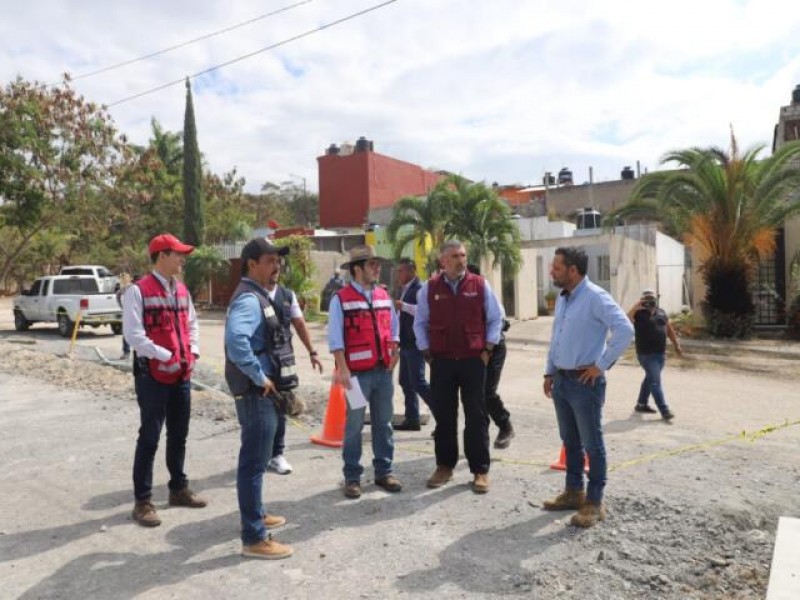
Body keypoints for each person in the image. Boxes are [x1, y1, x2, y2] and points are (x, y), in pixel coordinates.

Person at [542, 246, 633, 528]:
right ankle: (574, 492)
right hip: (562, 380)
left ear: (573, 270)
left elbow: (625, 330)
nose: (551, 271)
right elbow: (557, 337)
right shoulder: (563, 297)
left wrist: (601, 365)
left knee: (592, 445)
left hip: (585, 383)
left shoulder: (595, 297)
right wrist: (549, 372)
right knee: (570, 442)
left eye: (557, 267)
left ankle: (594, 503)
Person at [122, 233, 206, 528]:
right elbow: (132, 334)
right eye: (177, 254)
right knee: (150, 437)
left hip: (181, 374)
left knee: (179, 434)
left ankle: (178, 489)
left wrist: (192, 352)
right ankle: (143, 501)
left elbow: (192, 324)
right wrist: (162, 354)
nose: (182, 259)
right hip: (153, 377)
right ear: (161, 256)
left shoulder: (181, 290)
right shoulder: (137, 291)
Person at [224, 238, 295, 560]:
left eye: (277, 259)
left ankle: (256, 513)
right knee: (253, 464)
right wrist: (259, 375)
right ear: (251, 264)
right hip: (257, 392)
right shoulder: (249, 300)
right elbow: (236, 342)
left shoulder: (259, 294)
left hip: (262, 390)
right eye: (269, 259)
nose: (276, 265)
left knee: (257, 459)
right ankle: (254, 537)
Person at [414, 241, 504, 494]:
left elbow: (496, 318)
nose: (461, 260)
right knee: (444, 416)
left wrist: (488, 349)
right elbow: (419, 322)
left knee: (476, 416)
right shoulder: (429, 288)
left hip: (473, 360)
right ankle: (444, 466)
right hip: (441, 361)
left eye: (463, 255)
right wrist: (425, 351)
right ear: (443, 261)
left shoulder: (479, 284)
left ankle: (480, 470)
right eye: (455, 256)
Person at [328, 245, 402, 499]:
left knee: (384, 423)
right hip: (356, 376)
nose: (377, 268)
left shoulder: (383, 295)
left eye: (377, 264)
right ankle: (352, 477)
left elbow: (394, 327)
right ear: (357, 270)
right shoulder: (341, 299)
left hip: (382, 373)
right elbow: (336, 339)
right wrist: (343, 370)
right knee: (355, 425)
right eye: (372, 264)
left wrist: (396, 349)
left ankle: (384, 471)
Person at [265, 252, 324, 475]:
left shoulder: (287, 295)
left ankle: (277, 454)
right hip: (261, 360)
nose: (276, 268)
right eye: (272, 263)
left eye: (278, 265)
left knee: (281, 407)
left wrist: (313, 352)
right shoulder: (253, 295)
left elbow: (299, 325)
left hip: (283, 361)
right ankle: (260, 453)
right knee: (260, 409)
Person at [466, 263, 515, 449]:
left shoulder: (486, 295)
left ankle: (505, 426)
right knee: (474, 396)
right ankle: (480, 437)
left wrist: (487, 349)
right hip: (473, 350)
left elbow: (499, 323)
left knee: (487, 392)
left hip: (493, 348)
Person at [628, 288, 683, 420]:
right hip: (646, 354)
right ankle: (664, 410)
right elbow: (624, 321)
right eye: (646, 299)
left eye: (651, 299)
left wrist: (676, 345)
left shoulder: (661, 312)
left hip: (660, 354)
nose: (649, 301)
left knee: (650, 378)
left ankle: (641, 404)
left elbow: (669, 329)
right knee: (655, 382)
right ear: (642, 300)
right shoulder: (638, 313)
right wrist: (635, 307)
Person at [393, 258, 433, 431]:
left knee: (418, 382)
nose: (398, 275)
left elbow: (426, 311)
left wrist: (404, 306)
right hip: (405, 342)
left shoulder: (420, 288)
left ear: (412, 271)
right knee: (405, 381)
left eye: (401, 271)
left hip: (416, 343)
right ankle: (412, 418)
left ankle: (442, 414)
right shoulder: (404, 289)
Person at [116, 272, 132, 359]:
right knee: (126, 334)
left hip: (134, 314)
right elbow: (118, 299)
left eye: (124, 278)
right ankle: (126, 352)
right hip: (126, 315)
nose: (122, 280)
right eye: (121, 279)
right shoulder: (121, 291)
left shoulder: (133, 288)